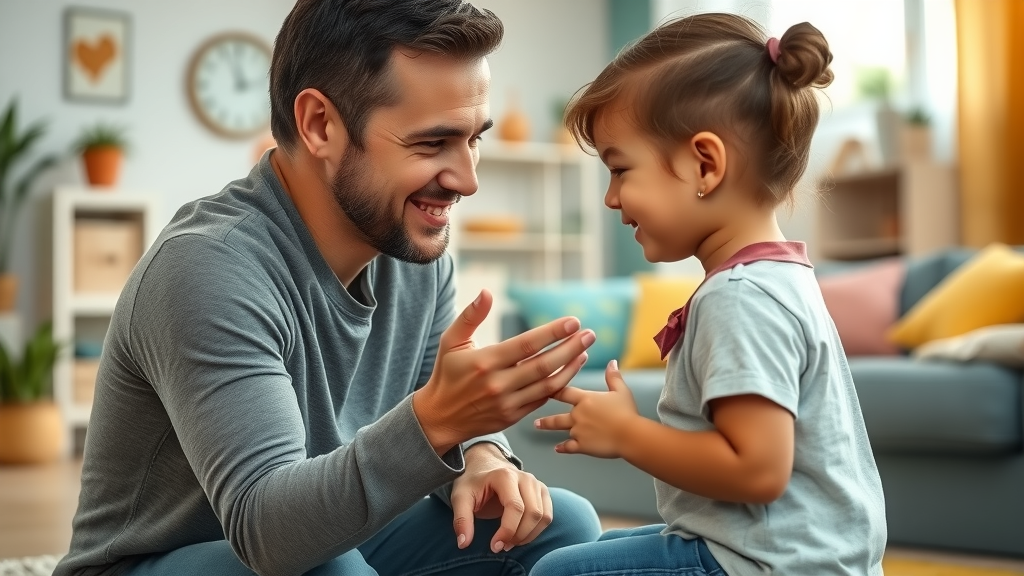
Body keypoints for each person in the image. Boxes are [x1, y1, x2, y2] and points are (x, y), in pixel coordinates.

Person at [54, 2, 604, 575]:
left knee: (560, 526)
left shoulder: (410, 248)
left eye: (473, 139)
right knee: (332, 570)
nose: (467, 179)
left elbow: (438, 409)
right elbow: (268, 533)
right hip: (175, 559)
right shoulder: (207, 267)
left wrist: (483, 455)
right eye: (432, 143)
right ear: (320, 125)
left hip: (327, 540)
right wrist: (438, 420)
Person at [531, 13, 887, 576]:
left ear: (705, 163)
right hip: (781, 550)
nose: (610, 198)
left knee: (557, 573)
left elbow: (757, 471)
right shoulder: (779, 278)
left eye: (620, 170)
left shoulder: (740, 297)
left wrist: (629, 434)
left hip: (771, 564)